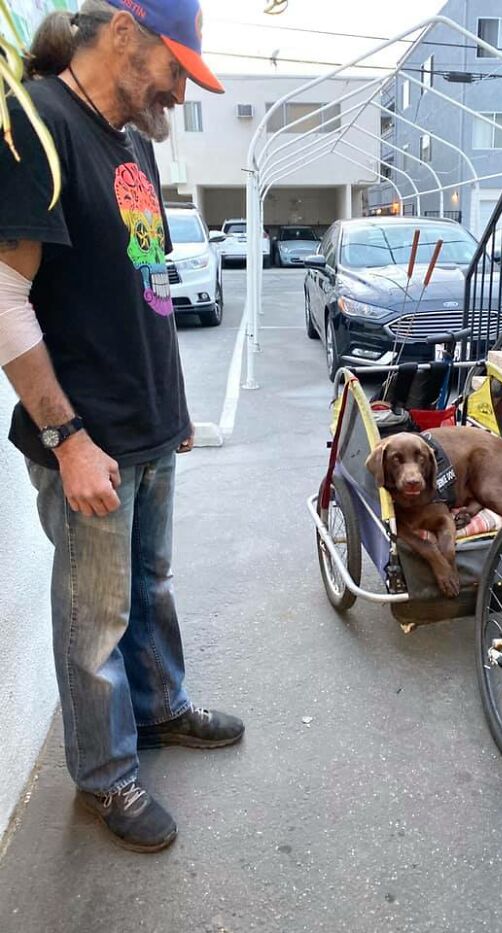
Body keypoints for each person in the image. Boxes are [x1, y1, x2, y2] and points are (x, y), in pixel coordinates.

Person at [0, 0, 243, 853]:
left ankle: (161, 707)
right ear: (123, 33)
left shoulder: (134, 141)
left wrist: (173, 406)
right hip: (87, 438)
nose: (179, 93)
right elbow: (5, 299)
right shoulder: (37, 126)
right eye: (175, 69)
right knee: (94, 619)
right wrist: (67, 440)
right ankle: (105, 775)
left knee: (151, 585)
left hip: (148, 423)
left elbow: (148, 284)